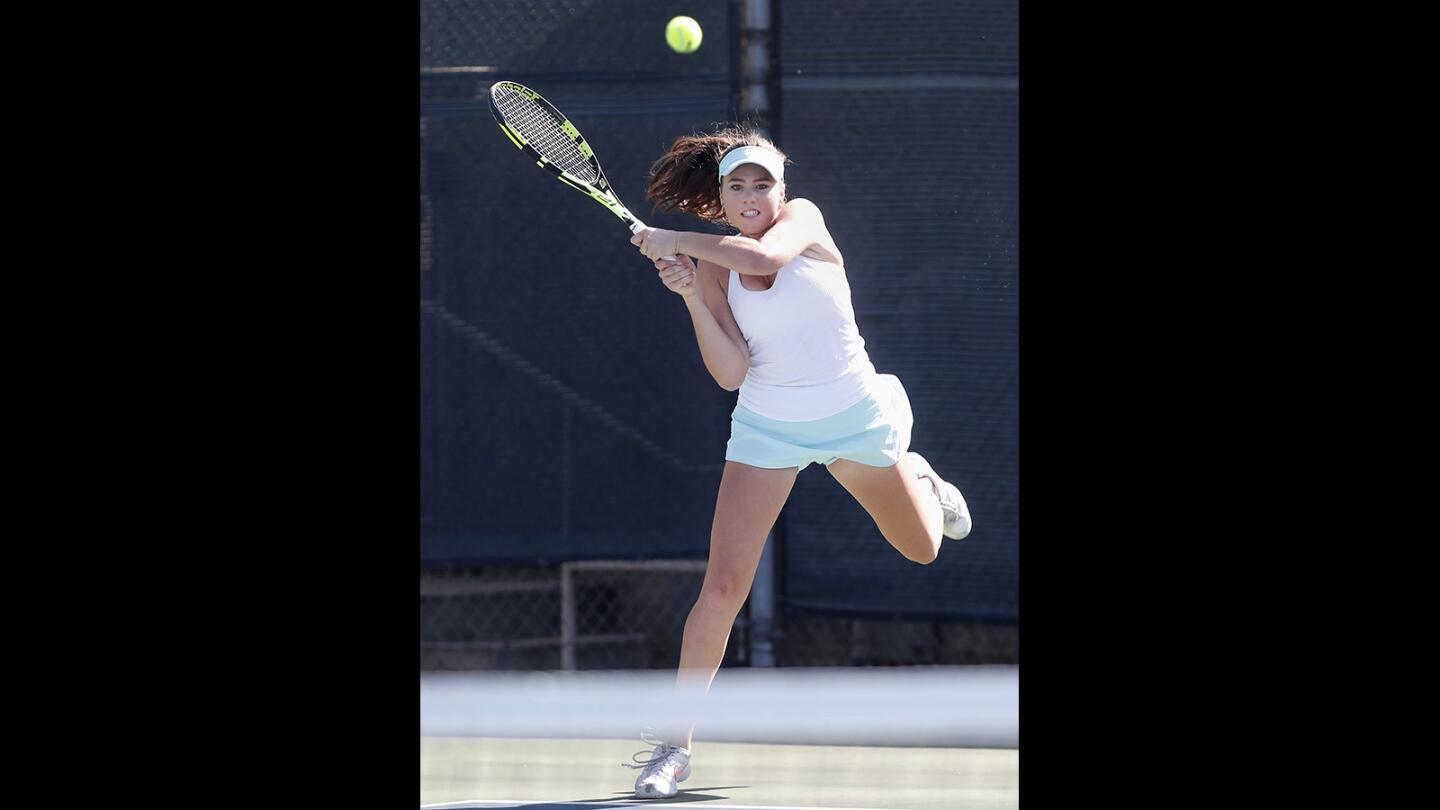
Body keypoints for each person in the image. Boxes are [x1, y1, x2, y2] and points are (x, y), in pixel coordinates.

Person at [620, 125, 972, 799]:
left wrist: (675, 241)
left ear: (782, 190)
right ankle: (674, 749)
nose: (752, 196)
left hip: (855, 418)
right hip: (769, 430)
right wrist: (692, 292)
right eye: (737, 186)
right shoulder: (717, 263)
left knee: (924, 549)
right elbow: (729, 372)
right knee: (722, 590)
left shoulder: (803, 222)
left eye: (763, 184)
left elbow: (766, 259)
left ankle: (918, 472)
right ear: (720, 197)